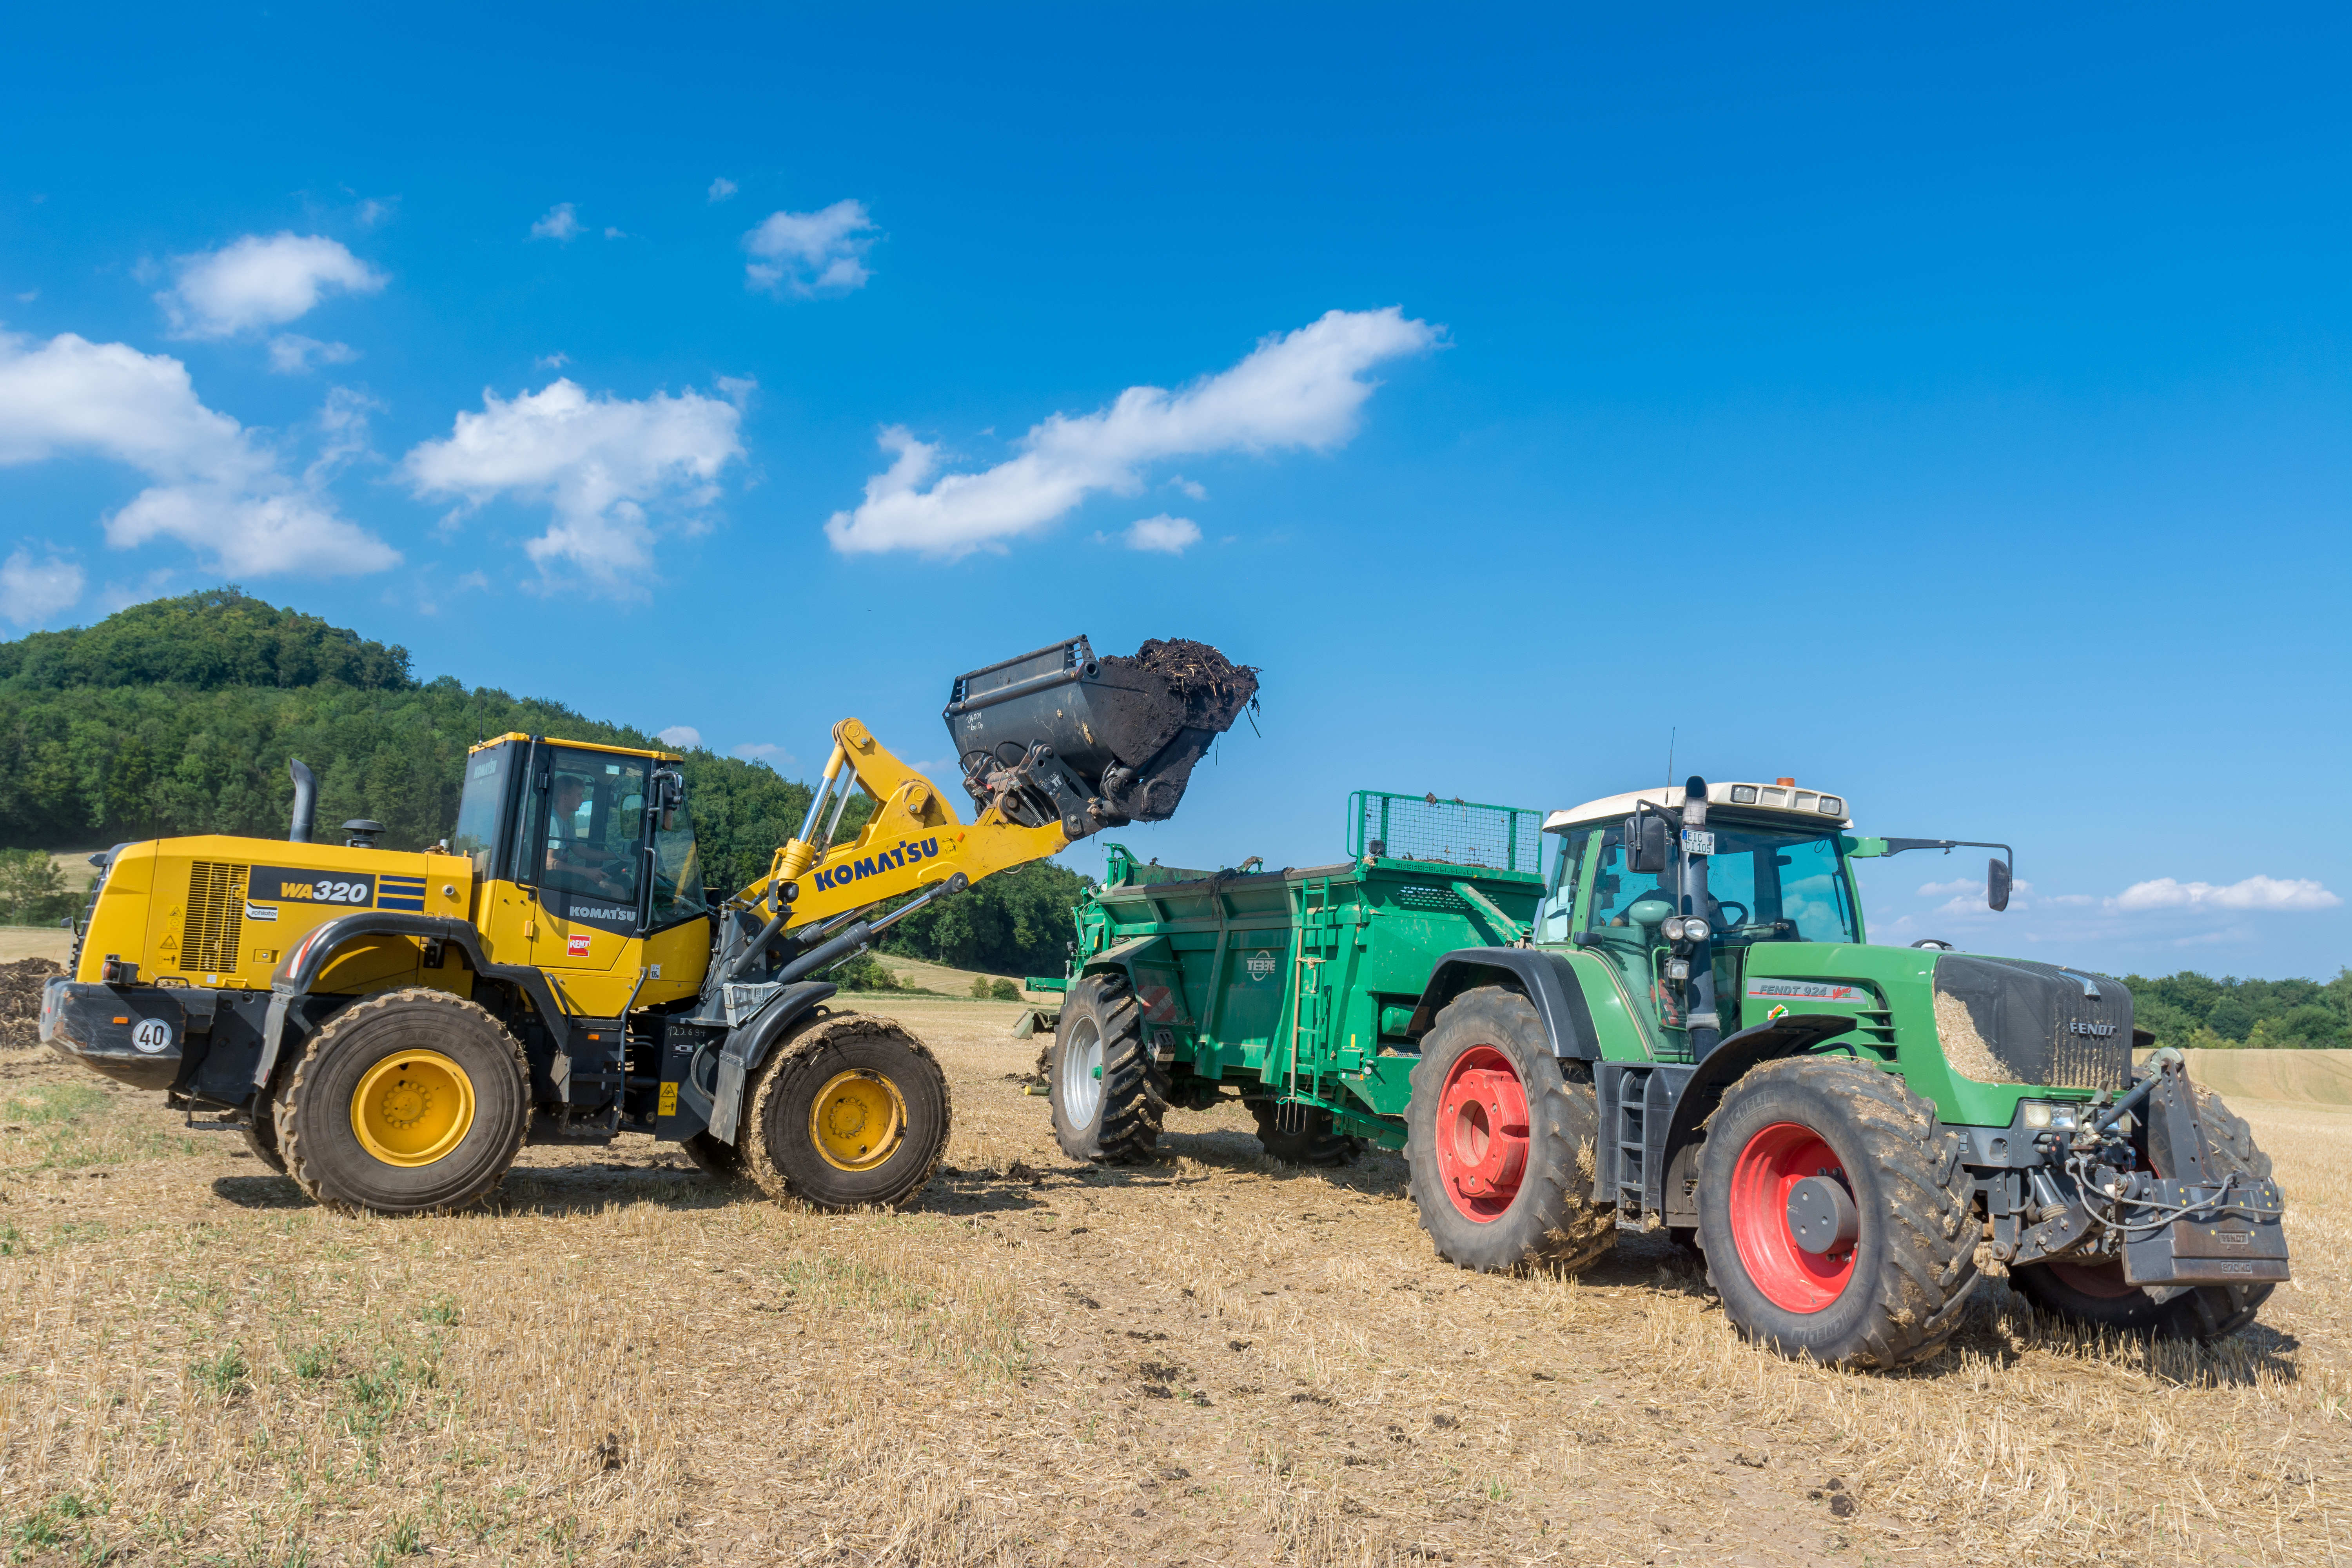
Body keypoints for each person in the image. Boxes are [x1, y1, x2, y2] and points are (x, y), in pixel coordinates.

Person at [545, 774, 631, 899]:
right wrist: (586, 872)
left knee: (624, 880)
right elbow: (547, 863)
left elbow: (581, 852)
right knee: (616, 890)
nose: (583, 800)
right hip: (551, 883)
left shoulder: (565, 821)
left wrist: (618, 857)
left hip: (561, 879)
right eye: (579, 795)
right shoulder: (554, 821)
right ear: (564, 798)